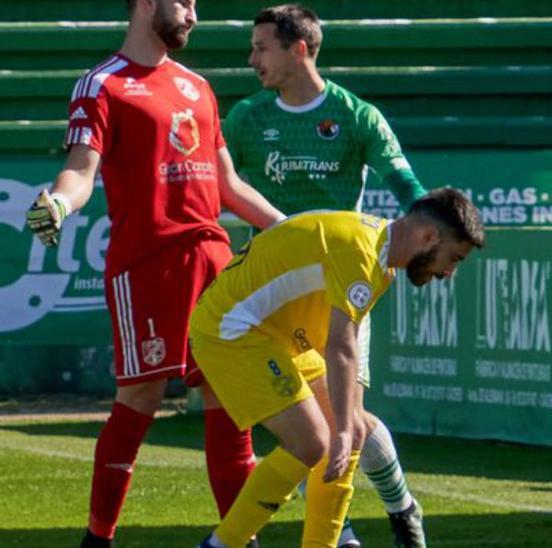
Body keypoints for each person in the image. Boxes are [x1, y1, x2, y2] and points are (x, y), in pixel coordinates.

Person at [23, 1, 287, 546]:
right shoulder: (101, 84)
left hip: (212, 257)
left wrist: (293, 230)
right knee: (140, 399)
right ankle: (98, 538)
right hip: (147, 266)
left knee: (228, 400)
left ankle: (239, 539)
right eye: (185, 2)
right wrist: (58, 205)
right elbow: (79, 168)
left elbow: (228, 185)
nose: (193, 14)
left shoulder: (198, 86)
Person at [222, 4, 431, 546]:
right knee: (327, 425)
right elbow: (218, 183)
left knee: (347, 420)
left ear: (299, 49)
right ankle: (362, 525)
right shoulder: (247, 117)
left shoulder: (356, 116)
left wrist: (433, 233)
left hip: (342, 289)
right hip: (277, 295)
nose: (251, 60)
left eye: (261, 47)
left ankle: (395, 510)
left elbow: (406, 185)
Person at [191, 189, 483, 548]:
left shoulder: (380, 256)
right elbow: (340, 344)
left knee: (353, 430)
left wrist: (349, 426)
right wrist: (343, 428)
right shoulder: (363, 251)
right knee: (313, 441)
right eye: (453, 259)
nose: (449, 273)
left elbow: (348, 347)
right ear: (429, 237)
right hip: (231, 330)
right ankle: (221, 544)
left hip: (275, 336)